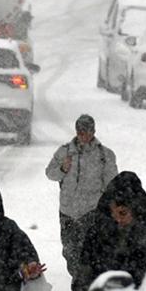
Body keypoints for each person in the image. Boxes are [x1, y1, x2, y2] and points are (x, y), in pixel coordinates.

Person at [67, 171, 146, 291]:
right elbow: (84, 277)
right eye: (112, 212)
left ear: (136, 210)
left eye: (122, 213)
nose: (117, 219)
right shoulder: (97, 235)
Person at [45, 115, 118, 282]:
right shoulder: (64, 152)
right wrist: (63, 168)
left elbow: (112, 183)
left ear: (93, 131)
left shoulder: (104, 155)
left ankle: (84, 280)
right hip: (67, 210)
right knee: (69, 250)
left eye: (87, 131)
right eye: (80, 132)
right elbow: (50, 173)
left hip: (92, 210)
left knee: (89, 248)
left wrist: (110, 206)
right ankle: (78, 275)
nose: (83, 135)